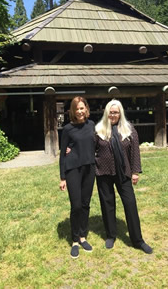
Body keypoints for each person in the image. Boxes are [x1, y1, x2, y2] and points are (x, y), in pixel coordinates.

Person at [95, 99, 153, 254]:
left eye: (116, 112)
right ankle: (111, 235)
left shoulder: (129, 130)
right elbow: (89, 148)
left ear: (120, 113)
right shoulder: (99, 130)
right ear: (106, 113)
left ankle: (138, 240)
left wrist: (135, 172)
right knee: (107, 204)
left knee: (130, 204)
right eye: (110, 112)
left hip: (123, 172)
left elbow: (135, 153)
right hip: (103, 172)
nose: (113, 115)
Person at [59, 96, 95, 259]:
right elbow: (62, 154)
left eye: (82, 108)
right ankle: (74, 240)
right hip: (73, 169)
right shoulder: (67, 129)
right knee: (76, 205)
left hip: (89, 168)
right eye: (77, 109)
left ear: (86, 109)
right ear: (72, 111)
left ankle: (82, 236)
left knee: (86, 204)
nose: (80, 111)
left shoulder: (92, 125)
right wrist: (62, 177)